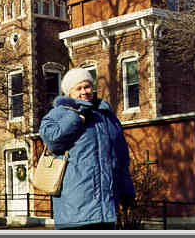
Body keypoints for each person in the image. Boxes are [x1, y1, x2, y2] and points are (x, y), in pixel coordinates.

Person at [39, 68, 135, 230]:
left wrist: (126, 189)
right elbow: (53, 140)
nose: (84, 91)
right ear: (69, 93)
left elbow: (121, 156)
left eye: (88, 86)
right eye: (79, 88)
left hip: (106, 206)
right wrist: (77, 116)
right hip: (74, 206)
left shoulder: (106, 116)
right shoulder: (59, 113)